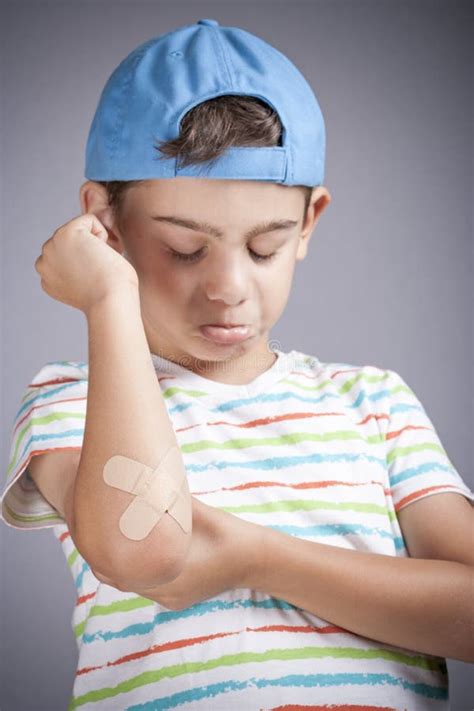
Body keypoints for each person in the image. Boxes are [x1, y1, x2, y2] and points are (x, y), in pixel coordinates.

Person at [1, 17, 473, 711]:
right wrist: (107, 296)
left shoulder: (374, 403)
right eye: (185, 249)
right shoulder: (72, 403)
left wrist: (254, 555)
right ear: (103, 222)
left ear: (309, 222)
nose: (228, 286)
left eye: (264, 246)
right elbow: (147, 551)